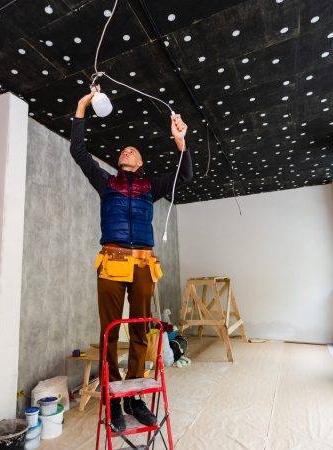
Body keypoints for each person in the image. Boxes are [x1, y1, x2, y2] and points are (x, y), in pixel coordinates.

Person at [70, 91, 193, 431]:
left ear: (139, 163)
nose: (128, 150)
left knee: (140, 329)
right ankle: (113, 397)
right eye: (124, 150)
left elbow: (184, 176)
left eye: (134, 151)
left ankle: (134, 396)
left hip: (142, 264)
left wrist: (180, 142)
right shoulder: (106, 183)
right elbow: (79, 152)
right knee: (109, 330)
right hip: (111, 263)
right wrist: (82, 109)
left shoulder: (150, 187)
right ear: (119, 160)